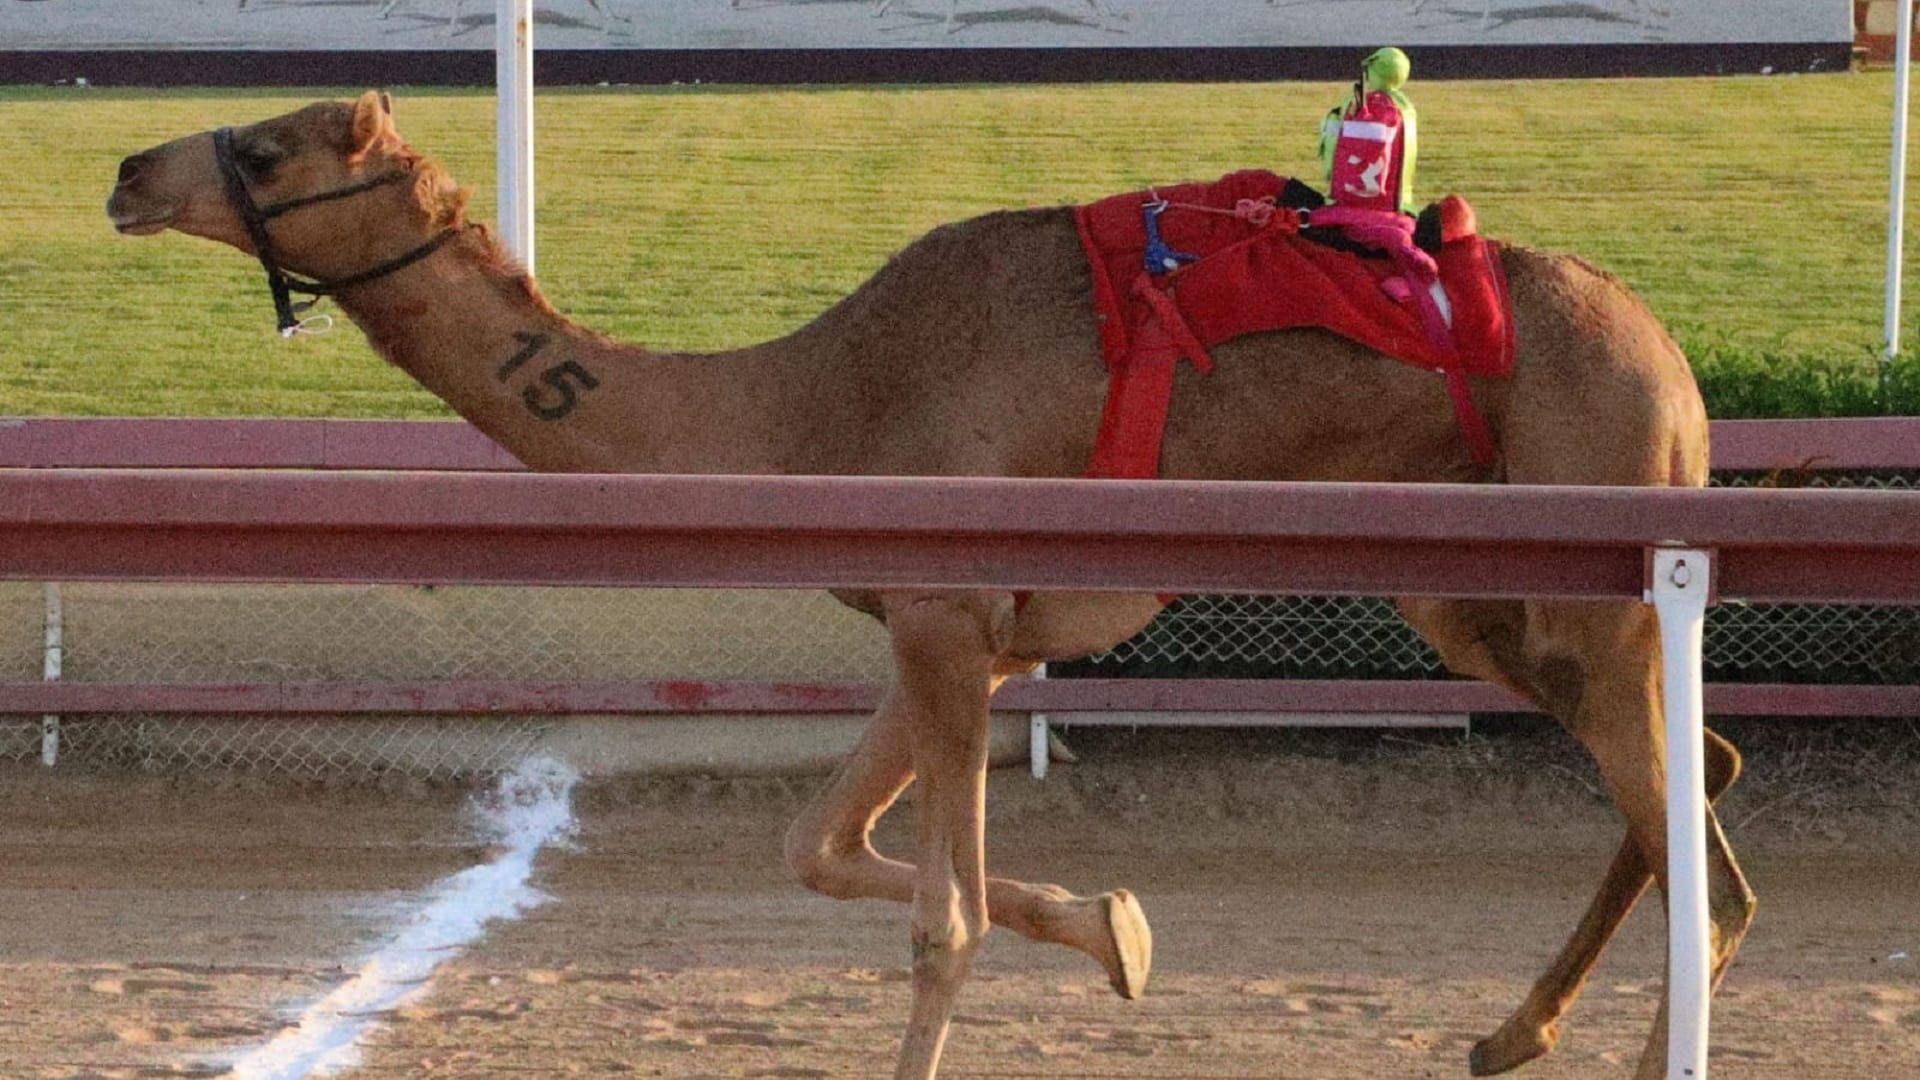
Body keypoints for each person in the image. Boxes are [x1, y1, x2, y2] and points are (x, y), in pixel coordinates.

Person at [1318, 47, 1418, 216]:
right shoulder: (1405, 109)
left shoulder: (1352, 103)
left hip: (1346, 201)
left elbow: (1330, 151)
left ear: (1373, 71)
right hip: (1396, 205)